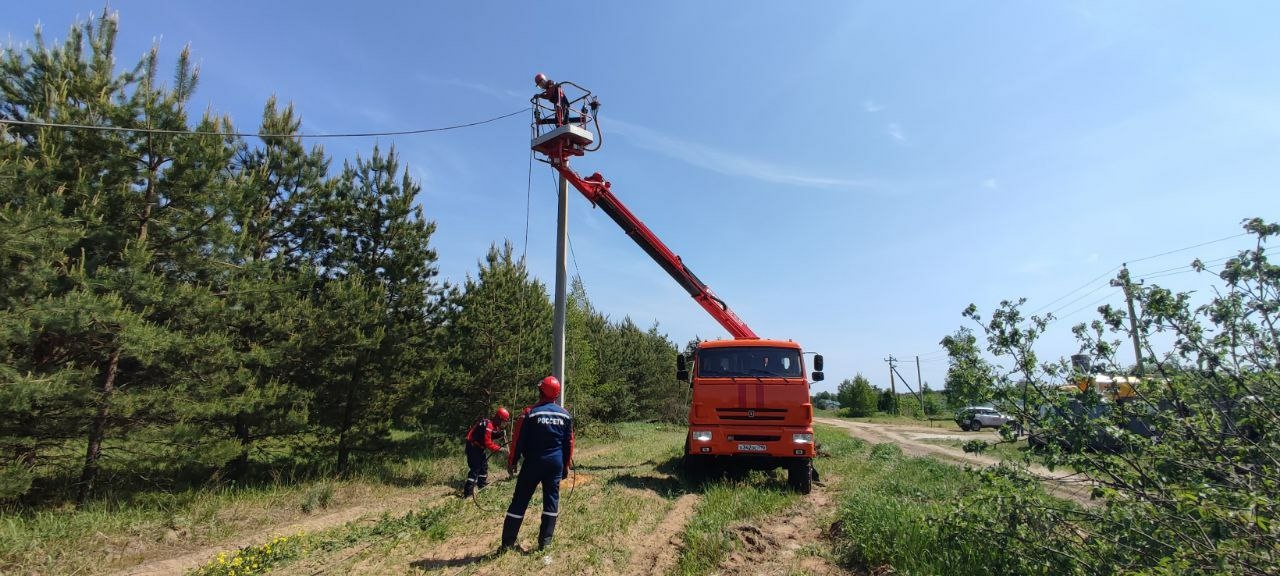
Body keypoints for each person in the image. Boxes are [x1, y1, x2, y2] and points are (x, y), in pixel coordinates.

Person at [501, 376, 574, 552]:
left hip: (533, 463)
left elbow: (518, 439)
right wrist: (565, 466)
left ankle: (507, 544)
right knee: (551, 501)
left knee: (519, 501)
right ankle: (545, 543)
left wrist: (513, 460)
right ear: (556, 394)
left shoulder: (530, 413)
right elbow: (569, 443)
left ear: (541, 391)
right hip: (555, 464)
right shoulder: (565, 415)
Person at [463, 407, 510, 497]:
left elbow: (492, 434)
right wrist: (500, 449)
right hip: (473, 446)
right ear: (498, 419)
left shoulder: (492, 425)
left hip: (479, 447)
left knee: (483, 467)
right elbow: (488, 442)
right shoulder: (488, 425)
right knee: (476, 468)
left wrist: (500, 434)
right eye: (503, 422)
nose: (503, 425)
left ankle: (482, 486)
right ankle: (468, 493)